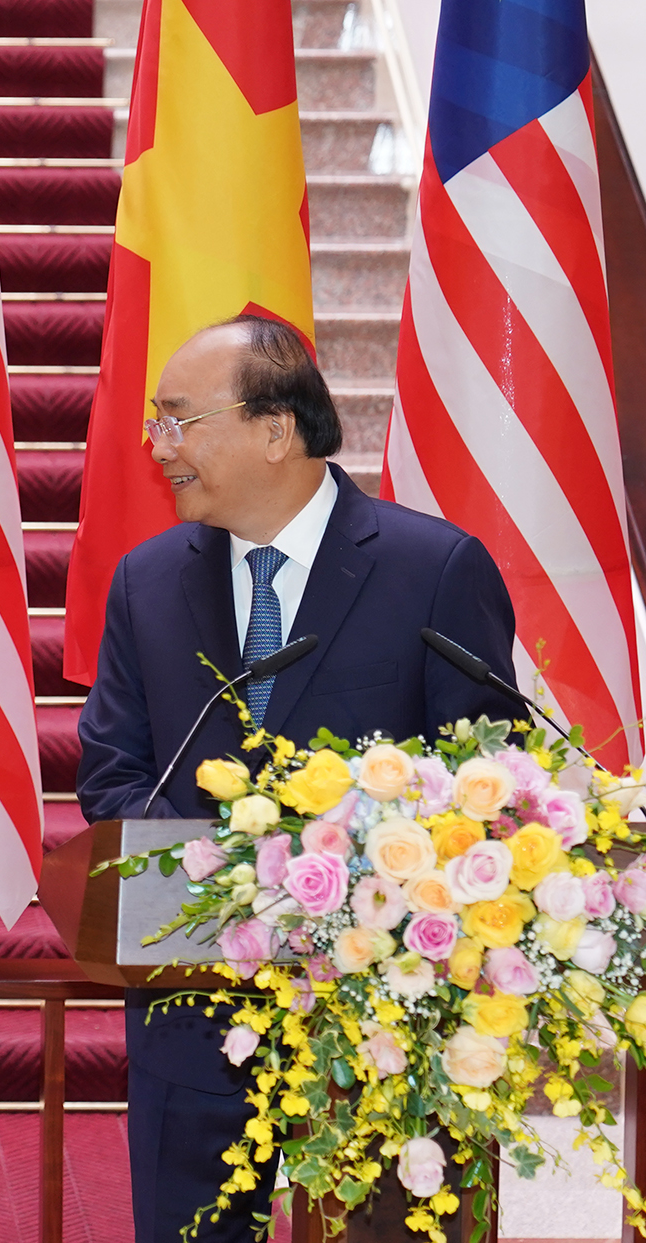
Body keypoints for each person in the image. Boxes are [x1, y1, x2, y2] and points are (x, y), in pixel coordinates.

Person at [75, 315, 521, 1243]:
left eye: (178, 419)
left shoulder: (433, 570)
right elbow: (114, 772)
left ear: (276, 429)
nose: (158, 446)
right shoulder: (146, 582)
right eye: (156, 421)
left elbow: (483, 784)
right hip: (194, 1012)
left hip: (382, 1021)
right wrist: (227, 885)